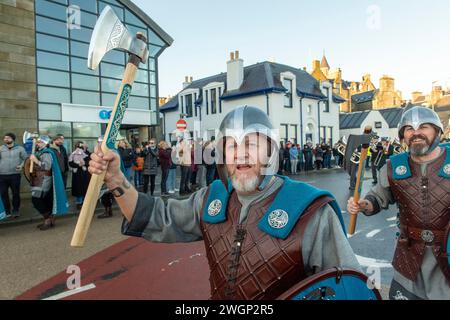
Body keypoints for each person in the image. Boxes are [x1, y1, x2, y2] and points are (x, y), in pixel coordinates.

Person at [89, 105, 363, 300]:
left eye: (252, 144)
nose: (241, 155)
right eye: (232, 145)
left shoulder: (310, 211)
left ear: (271, 150)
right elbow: (154, 216)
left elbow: (349, 289)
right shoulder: (211, 198)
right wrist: (115, 179)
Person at [347, 106, 449, 300]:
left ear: (437, 131)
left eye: (424, 127)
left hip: (447, 256)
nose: (416, 132)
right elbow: (377, 198)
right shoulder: (393, 166)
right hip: (409, 256)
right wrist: (363, 205)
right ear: (403, 135)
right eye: (409, 128)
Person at [29, 135, 68, 230]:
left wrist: (35, 160)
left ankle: (47, 219)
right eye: (37, 142)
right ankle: (49, 219)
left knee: (36, 199)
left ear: (44, 143)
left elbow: (46, 166)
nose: (37, 144)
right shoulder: (42, 152)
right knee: (45, 200)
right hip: (40, 179)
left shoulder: (47, 153)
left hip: (44, 180)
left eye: (39, 142)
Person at [0, 133, 27, 218]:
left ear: (13, 139)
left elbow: (26, 159)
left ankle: (15, 210)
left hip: (15, 175)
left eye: (8, 138)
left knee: (15, 193)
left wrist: (22, 165)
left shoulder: (20, 148)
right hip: (2, 175)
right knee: (3, 193)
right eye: (5, 138)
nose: (6, 139)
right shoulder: (1, 148)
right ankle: (7, 211)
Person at [68, 141, 91, 210]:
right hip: (77, 174)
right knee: (78, 189)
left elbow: (90, 162)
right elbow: (70, 163)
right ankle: (79, 203)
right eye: (78, 146)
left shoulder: (88, 153)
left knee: (85, 189)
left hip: (85, 174)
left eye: (82, 146)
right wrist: (78, 165)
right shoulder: (73, 153)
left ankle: (85, 203)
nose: (80, 148)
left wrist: (84, 163)